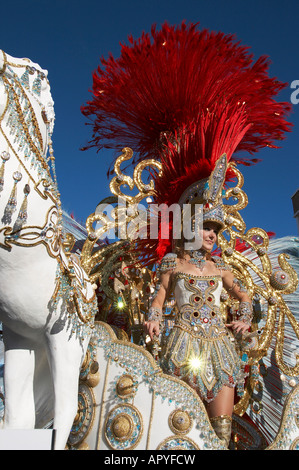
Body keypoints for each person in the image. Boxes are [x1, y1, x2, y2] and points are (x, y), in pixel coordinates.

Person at [144, 219, 252, 447]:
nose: (212, 235)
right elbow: (159, 296)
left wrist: (244, 319)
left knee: (221, 430)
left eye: (215, 231)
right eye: (207, 228)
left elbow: (244, 295)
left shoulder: (220, 266)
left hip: (220, 349)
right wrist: (154, 319)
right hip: (183, 347)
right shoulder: (173, 262)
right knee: (183, 424)